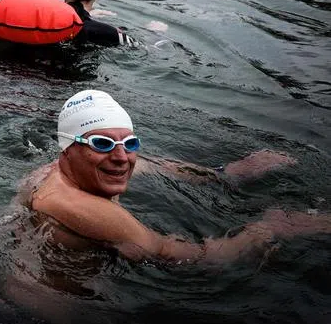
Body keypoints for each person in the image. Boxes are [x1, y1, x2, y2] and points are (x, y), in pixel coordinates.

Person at [17, 89, 331, 264]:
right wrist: (271, 228)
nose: (121, 157)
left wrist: (227, 174)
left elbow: (154, 165)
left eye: (130, 143)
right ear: (68, 148)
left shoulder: (50, 171)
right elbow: (195, 260)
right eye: (102, 144)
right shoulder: (88, 210)